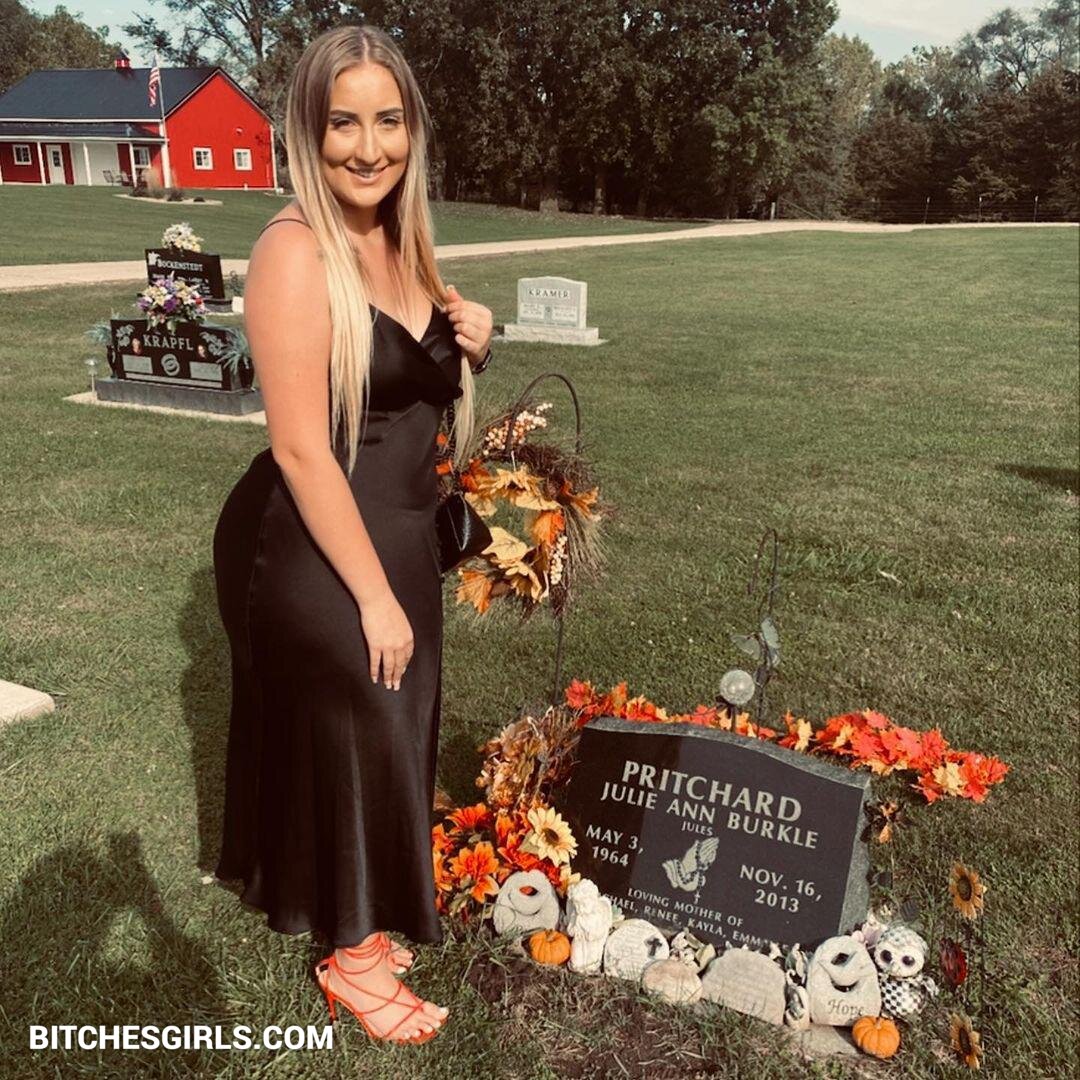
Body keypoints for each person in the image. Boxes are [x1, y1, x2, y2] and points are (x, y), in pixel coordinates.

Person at [211, 24, 493, 1046]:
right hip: (314, 531)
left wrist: (476, 341)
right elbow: (298, 447)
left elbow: (410, 379)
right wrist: (371, 595)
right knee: (367, 713)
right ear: (308, 131)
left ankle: (367, 906)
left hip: (402, 526)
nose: (369, 148)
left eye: (388, 121)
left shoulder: (400, 237)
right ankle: (352, 956)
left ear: (412, 128)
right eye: (343, 124)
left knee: (395, 718)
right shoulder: (293, 252)